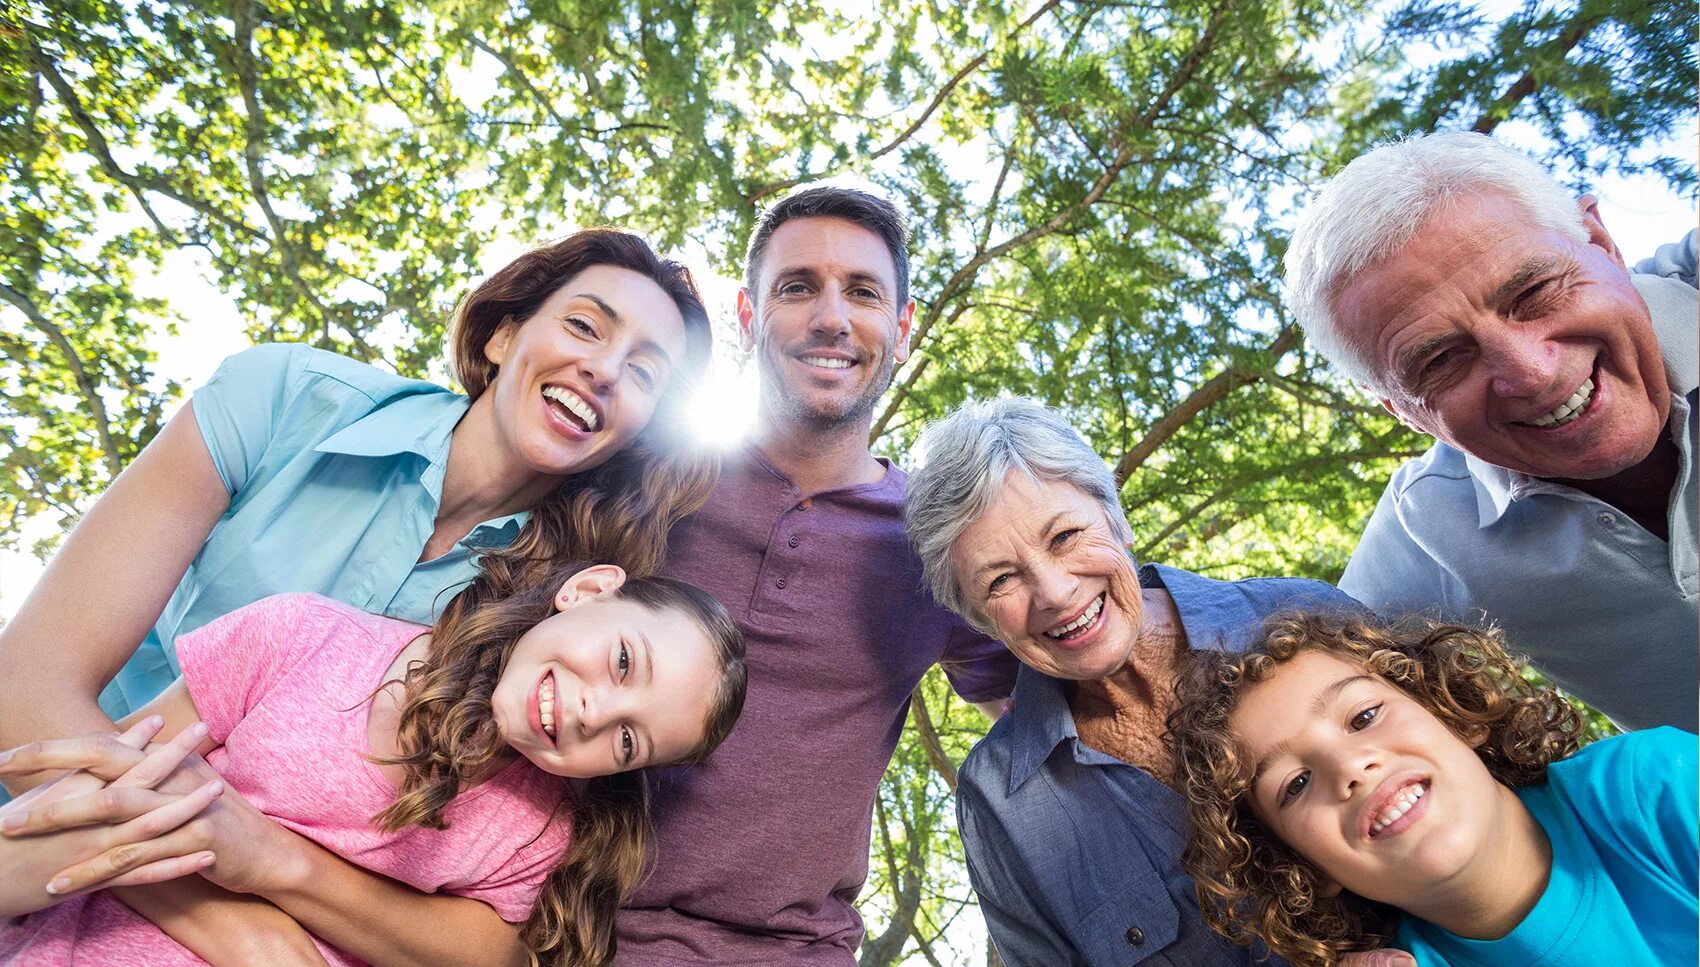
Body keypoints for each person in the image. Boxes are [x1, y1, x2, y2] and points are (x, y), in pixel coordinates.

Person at [0, 228, 717, 956]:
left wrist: (275, 881)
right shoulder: (280, 399)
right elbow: (26, 682)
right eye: (584, 325)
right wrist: (237, 924)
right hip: (55, 831)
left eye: (645, 375)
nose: (602, 369)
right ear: (503, 334)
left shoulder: (535, 641)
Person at [616, 184, 1020, 964]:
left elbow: (1063, 709)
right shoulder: (645, 478)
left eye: (863, 292)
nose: (831, 317)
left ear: (900, 330)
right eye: (797, 287)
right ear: (747, 315)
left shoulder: (938, 543)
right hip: (568, 926)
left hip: (795, 950)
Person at [1, 561, 747, 966]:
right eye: (622, 661)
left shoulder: (536, 830)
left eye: (626, 740)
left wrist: (270, 862)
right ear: (586, 591)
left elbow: (490, 956)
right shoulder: (302, 635)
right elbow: (78, 806)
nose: (594, 712)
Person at [903, 397, 1406, 966]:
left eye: (1065, 536)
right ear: (977, 618)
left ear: (1117, 520)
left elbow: (1499, 792)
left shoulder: (1304, 613)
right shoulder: (1001, 803)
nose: (1056, 592)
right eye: (1000, 580)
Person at [1283, 131, 1699, 731]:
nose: (1534, 374)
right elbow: (1290, 705)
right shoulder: (1430, 529)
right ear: (1401, 410)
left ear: (1602, 244)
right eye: (1440, 360)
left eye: (1533, 293)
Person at [1169, 610, 1698, 967]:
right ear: (1303, 867)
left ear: (1453, 712)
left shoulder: (1654, 786)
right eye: (1297, 784)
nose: (1351, 768)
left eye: (1364, 717)